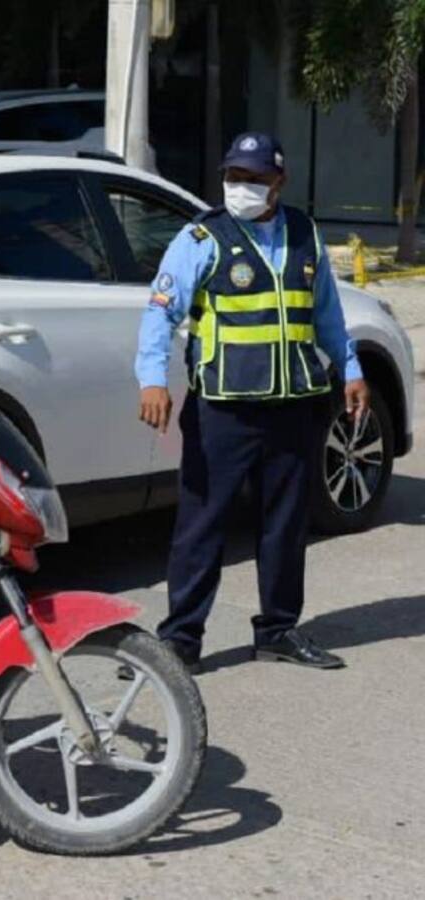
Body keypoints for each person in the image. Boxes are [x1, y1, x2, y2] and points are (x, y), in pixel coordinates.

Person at [135, 132, 369, 673]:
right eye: (234, 177)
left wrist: (351, 368)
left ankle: (278, 629)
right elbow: (160, 312)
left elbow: (327, 315)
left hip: (293, 404)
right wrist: (152, 379)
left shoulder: (305, 234)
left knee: (285, 524)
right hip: (224, 408)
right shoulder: (202, 238)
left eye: (254, 179)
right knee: (202, 526)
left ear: (278, 182)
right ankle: (180, 642)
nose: (241, 187)